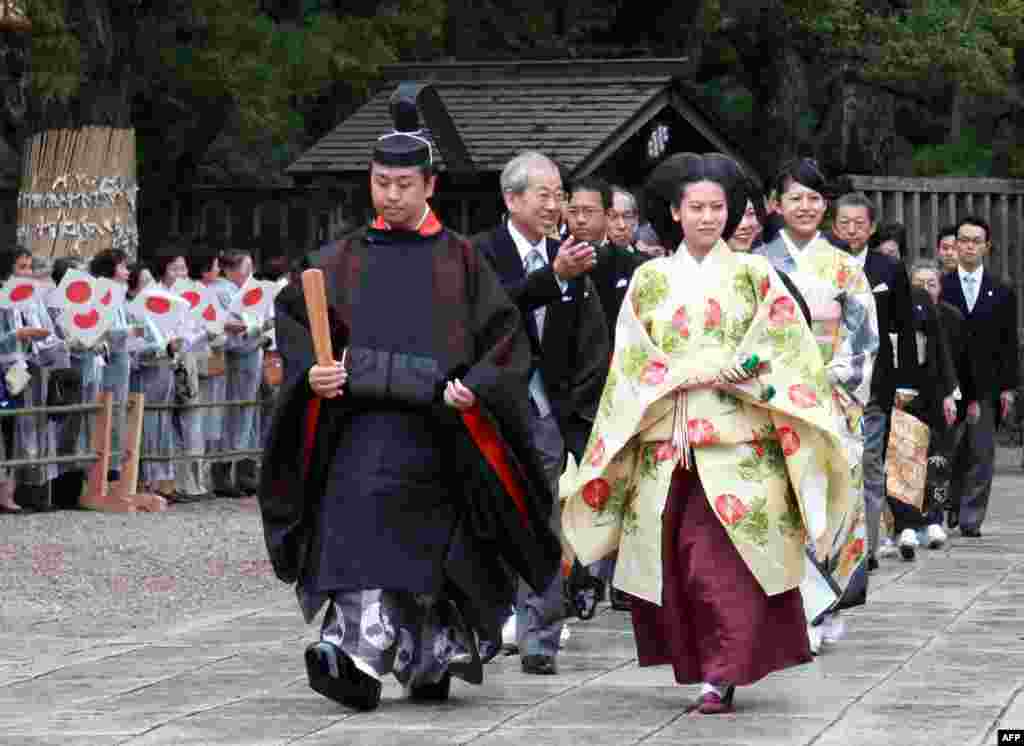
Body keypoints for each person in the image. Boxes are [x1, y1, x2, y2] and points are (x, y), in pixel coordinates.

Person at [259, 85, 559, 711]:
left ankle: (429, 653)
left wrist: (473, 389)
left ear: (428, 186)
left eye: (402, 184)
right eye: (380, 182)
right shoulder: (335, 261)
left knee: (432, 551)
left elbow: (504, 342)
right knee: (354, 528)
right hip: (356, 432)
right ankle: (358, 653)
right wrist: (311, 376)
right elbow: (298, 331)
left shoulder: (463, 263)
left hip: (438, 433)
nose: (390, 195)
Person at [563, 152, 853, 715]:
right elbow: (628, 357)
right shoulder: (649, 280)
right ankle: (705, 666)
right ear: (673, 212)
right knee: (679, 564)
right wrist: (675, 374)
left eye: (717, 207)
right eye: (695, 207)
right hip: (668, 442)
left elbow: (785, 346)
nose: (707, 217)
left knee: (723, 564)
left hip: (738, 443)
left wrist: (741, 367)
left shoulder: (754, 275)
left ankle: (722, 673)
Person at [474, 151, 610, 675]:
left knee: (544, 521)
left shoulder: (572, 256)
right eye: (544, 195)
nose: (555, 206)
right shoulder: (480, 254)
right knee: (488, 516)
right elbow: (488, 317)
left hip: (548, 412)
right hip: (489, 407)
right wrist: (550, 277)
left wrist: (574, 406)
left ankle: (541, 636)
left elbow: (591, 338)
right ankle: (486, 621)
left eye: (560, 195)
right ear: (512, 199)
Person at [755, 160, 879, 655]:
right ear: (775, 205)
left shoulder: (845, 267)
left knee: (830, 501)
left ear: (824, 205)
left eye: (813, 198)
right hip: (777, 400)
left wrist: (829, 381)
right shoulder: (758, 262)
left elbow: (862, 338)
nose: (804, 207)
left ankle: (822, 604)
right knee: (784, 501)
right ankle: (792, 607)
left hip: (831, 398)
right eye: (794, 198)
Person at [832, 192, 916, 567]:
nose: (852, 230)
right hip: (829, 379)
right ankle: (834, 542)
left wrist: (905, 380)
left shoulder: (888, 268)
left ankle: (867, 546)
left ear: (872, 226)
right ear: (834, 225)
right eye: (844, 223)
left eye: (860, 223)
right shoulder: (822, 263)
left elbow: (904, 327)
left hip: (875, 382)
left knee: (869, 462)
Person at [940, 217, 1019, 538]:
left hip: (986, 383)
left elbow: (1009, 342)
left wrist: (1009, 388)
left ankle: (972, 517)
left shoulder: (1000, 290)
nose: (969, 246)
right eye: (963, 240)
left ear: (986, 247)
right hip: (947, 382)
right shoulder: (941, 286)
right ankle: (948, 505)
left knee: (981, 452)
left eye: (976, 241)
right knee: (947, 452)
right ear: (955, 245)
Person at [904, 259, 960, 550]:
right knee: (907, 459)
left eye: (931, 283)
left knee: (938, 460)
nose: (925, 289)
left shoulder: (951, 317)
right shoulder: (898, 315)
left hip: (940, 395)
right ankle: (907, 523)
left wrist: (954, 394)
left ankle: (934, 519)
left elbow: (958, 361)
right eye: (918, 283)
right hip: (907, 395)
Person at [0, 248, 52, 513]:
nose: (27, 273)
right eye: (21, 267)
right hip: (5, 369)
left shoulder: (33, 299)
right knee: (7, 431)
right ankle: (5, 494)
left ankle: (16, 491)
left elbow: (47, 329)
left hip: (27, 367)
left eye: (30, 267)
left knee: (21, 429)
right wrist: (17, 334)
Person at [214, 249, 267, 497]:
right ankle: (225, 473)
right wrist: (255, 334)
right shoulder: (223, 292)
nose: (249, 274)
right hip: (238, 360)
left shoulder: (244, 291)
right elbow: (229, 334)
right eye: (245, 269)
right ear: (230, 270)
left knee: (249, 415)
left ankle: (246, 472)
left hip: (253, 356)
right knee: (234, 414)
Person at [89, 249, 137, 484]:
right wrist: (130, 331)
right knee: (109, 412)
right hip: (109, 361)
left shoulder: (119, 294)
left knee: (119, 412)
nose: (127, 272)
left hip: (121, 358)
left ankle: (115, 465)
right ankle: (107, 467)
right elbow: (102, 332)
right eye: (123, 267)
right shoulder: (101, 293)